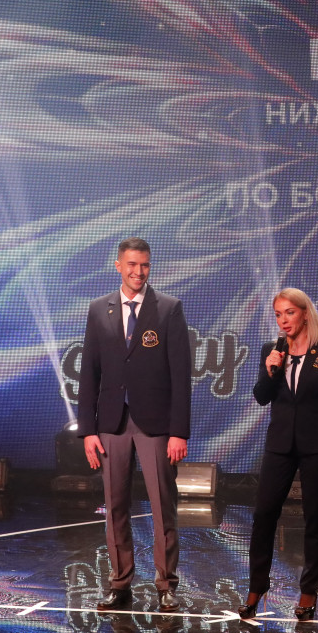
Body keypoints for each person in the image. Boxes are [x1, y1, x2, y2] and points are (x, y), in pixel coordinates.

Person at [77, 237, 192, 613]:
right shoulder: (99, 309)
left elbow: (181, 375)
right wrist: (88, 430)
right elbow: (89, 374)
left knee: (163, 506)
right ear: (118, 266)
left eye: (144, 265)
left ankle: (166, 585)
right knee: (115, 507)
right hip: (111, 423)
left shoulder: (168, 308)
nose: (138, 272)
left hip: (155, 424)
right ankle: (120, 584)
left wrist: (179, 431)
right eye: (131, 265)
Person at [239, 288, 318, 621]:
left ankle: (309, 592)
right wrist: (270, 369)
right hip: (279, 444)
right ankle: (256, 588)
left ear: (305, 313)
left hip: (316, 445)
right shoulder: (272, 350)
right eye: (278, 315)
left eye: (289, 313)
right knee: (264, 515)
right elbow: (261, 396)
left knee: (314, 517)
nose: (283, 321)